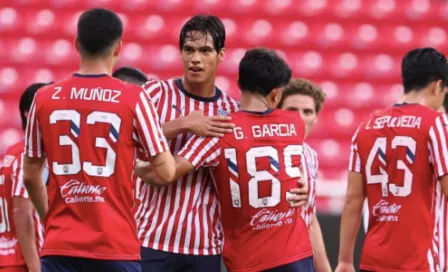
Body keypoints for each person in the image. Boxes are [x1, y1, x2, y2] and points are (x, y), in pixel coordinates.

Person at [22, 8, 175, 272]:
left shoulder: (44, 98)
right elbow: (167, 171)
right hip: (115, 246)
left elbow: (30, 175)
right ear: (118, 48)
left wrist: (51, 219)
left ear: (76, 44)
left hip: (61, 246)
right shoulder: (135, 99)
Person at [137, 48, 313, 272]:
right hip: (295, 253)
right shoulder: (295, 123)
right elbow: (299, 172)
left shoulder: (220, 129)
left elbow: (165, 173)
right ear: (276, 94)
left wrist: (137, 166)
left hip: (247, 258)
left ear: (239, 83)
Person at [135, 14, 238, 272]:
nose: (196, 59)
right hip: (150, 238)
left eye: (205, 51)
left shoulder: (230, 111)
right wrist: (182, 124)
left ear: (220, 55)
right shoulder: (154, 93)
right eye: (189, 50)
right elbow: (127, 142)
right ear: (180, 53)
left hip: (204, 246)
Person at [336, 47, 448, 272]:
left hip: (374, 260)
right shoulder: (436, 124)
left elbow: (352, 200)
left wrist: (345, 260)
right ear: (437, 86)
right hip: (421, 260)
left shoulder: (365, 127)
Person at [277, 78, 331, 272]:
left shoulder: (310, 155)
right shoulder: (264, 151)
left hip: (300, 260)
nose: (299, 117)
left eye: (307, 111)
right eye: (292, 110)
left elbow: (309, 218)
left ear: (316, 117)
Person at [0, 83, 48, 272]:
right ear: (29, 114)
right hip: (22, 262)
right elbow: (22, 212)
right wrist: (35, 267)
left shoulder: (12, 154)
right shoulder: (25, 156)